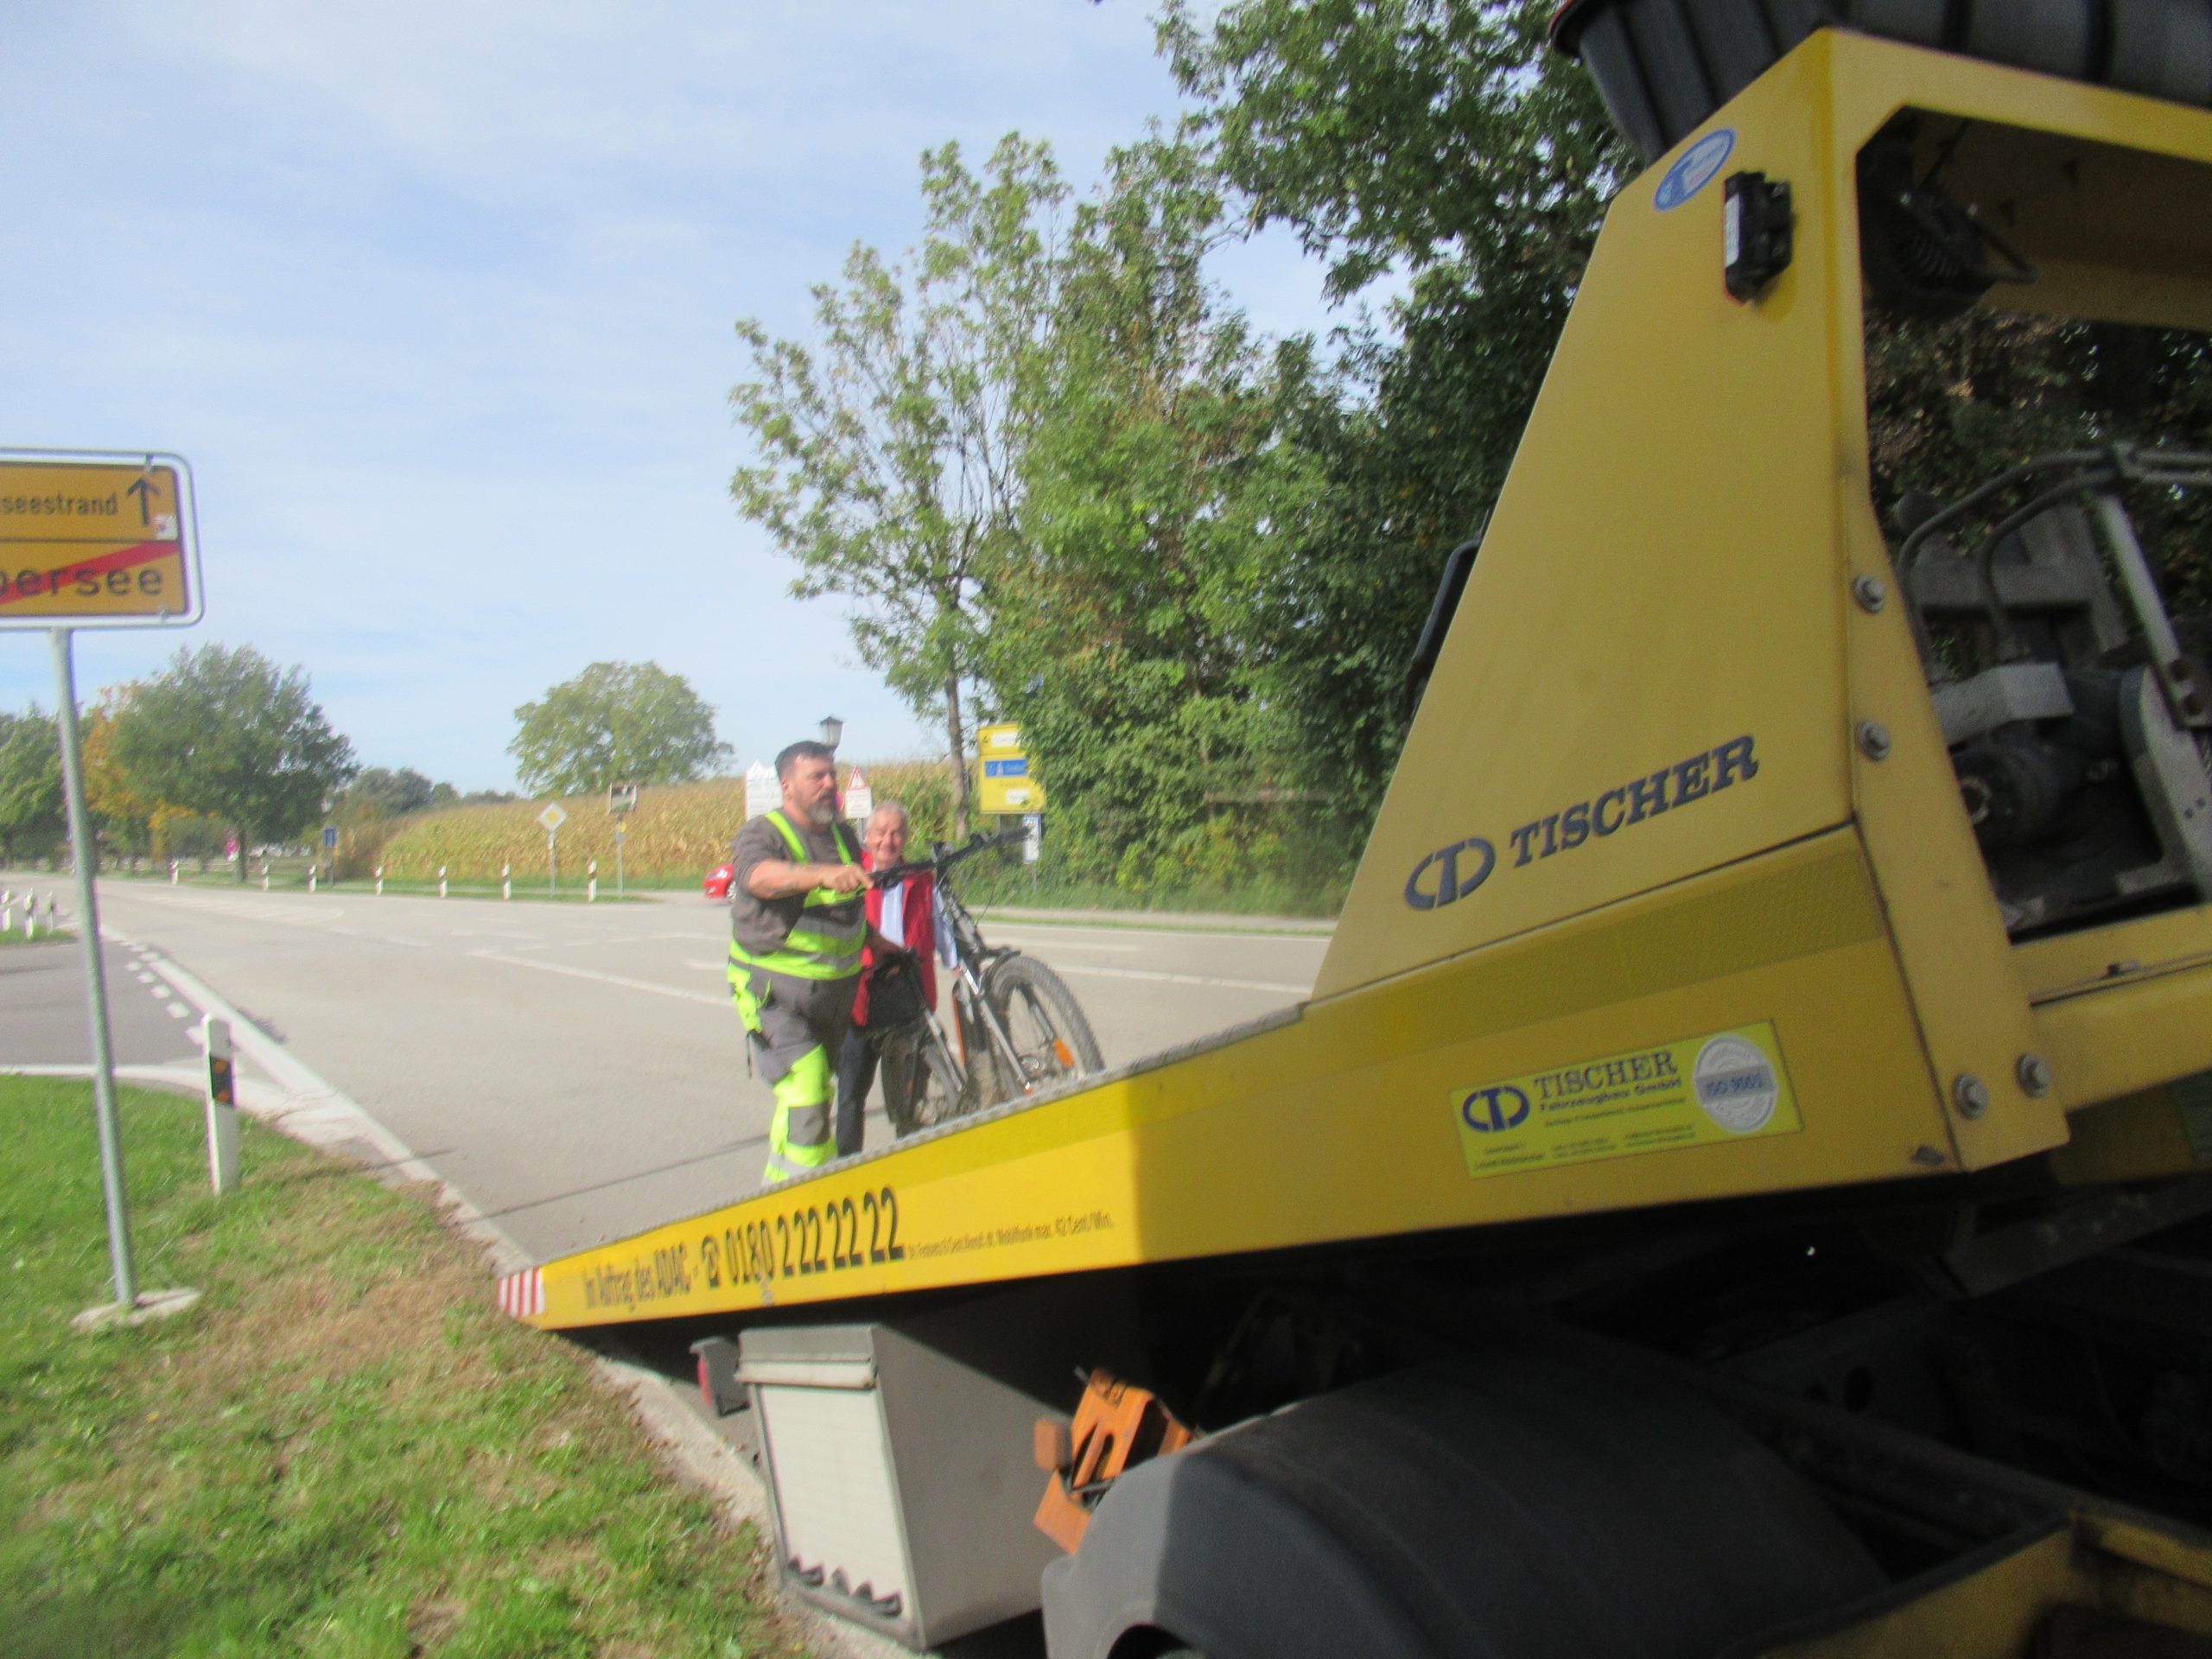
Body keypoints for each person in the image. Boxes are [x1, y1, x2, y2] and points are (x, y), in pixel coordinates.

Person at [725, 741, 888, 1184]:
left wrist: (876, 941)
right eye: (817, 776)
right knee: (808, 1087)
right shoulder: (764, 832)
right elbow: (757, 876)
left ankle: (776, 1193)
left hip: (832, 996)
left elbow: (845, 907)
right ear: (787, 785)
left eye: (832, 774)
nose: (829, 784)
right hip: (774, 994)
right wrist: (819, 874)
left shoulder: (842, 836)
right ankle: (812, 1199)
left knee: (806, 1099)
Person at [836, 802, 945, 1155]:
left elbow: (941, 928)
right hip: (862, 1003)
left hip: (909, 1000)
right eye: (880, 832)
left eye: (896, 833)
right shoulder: (850, 879)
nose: (888, 840)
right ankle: (848, 1168)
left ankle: (910, 1162)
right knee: (851, 1096)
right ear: (867, 836)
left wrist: (959, 961)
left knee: (911, 1099)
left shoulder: (921, 878)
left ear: (906, 837)